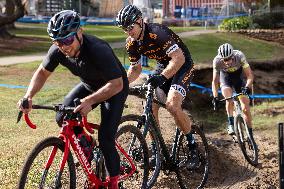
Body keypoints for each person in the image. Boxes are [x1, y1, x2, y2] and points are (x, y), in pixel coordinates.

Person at [17, 10, 128, 189]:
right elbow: (42, 72)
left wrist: (90, 101)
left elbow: (116, 84)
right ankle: (87, 145)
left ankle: (114, 183)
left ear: (79, 32)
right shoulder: (59, 50)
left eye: (68, 40)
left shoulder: (97, 49)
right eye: (58, 42)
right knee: (62, 116)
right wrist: (28, 95)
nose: (64, 46)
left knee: (106, 137)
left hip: (114, 88)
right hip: (90, 85)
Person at [116, 5, 199, 169]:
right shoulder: (131, 43)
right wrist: (122, 86)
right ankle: (157, 151)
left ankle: (193, 149)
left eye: (130, 27)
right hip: (163, 65)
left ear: (139, 21)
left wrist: (162, 78)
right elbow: (135, 69)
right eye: (124, 29)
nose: (128, 32)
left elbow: (178, 58)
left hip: (182, 64)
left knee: (172, 105)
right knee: (150, 104)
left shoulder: (157, 32)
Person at [211, 43, 255, 139]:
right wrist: (215, 97)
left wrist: (247, 87)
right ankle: (231, 124)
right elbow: (215, 81)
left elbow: (250, 75)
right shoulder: (217, 61)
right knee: (228, 99)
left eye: (229, 58)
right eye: (225, 59)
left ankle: (250, 134)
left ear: (233, 55)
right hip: (225, 79)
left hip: (238, 79)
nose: (227, 62)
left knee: (245, 109)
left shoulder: (239, 56)